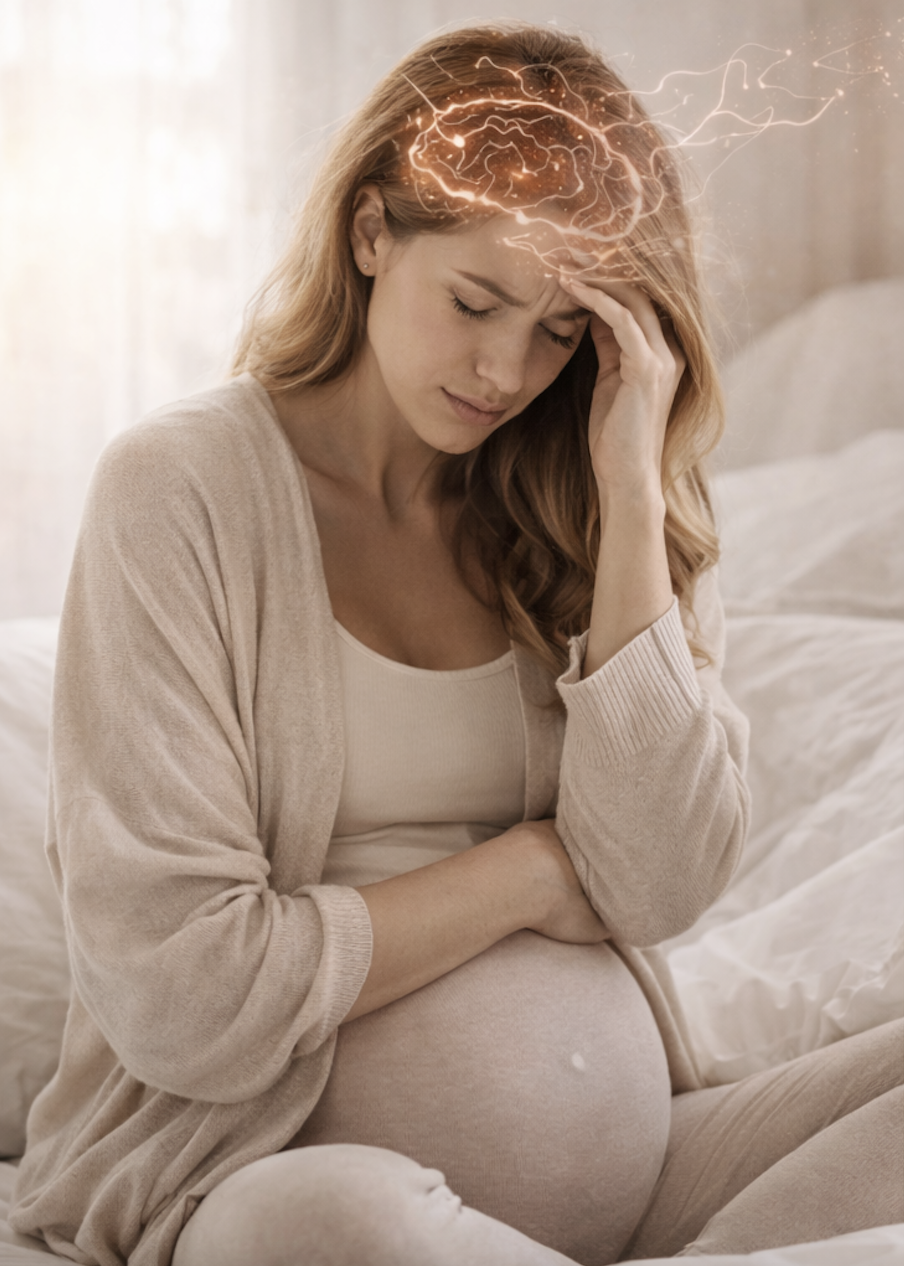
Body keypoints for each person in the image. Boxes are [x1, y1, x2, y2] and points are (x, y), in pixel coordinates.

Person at [10, 21, 902, 1266]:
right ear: (373, 234)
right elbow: (185, 999)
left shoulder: (574, 503)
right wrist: (534, 871)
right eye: (474, 300)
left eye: (556, 332)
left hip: (645, 1177)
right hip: (257, 1175)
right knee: (344, 1227)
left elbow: (653, 884)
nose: (504, 371)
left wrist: (632, 493)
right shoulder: (185, 488)